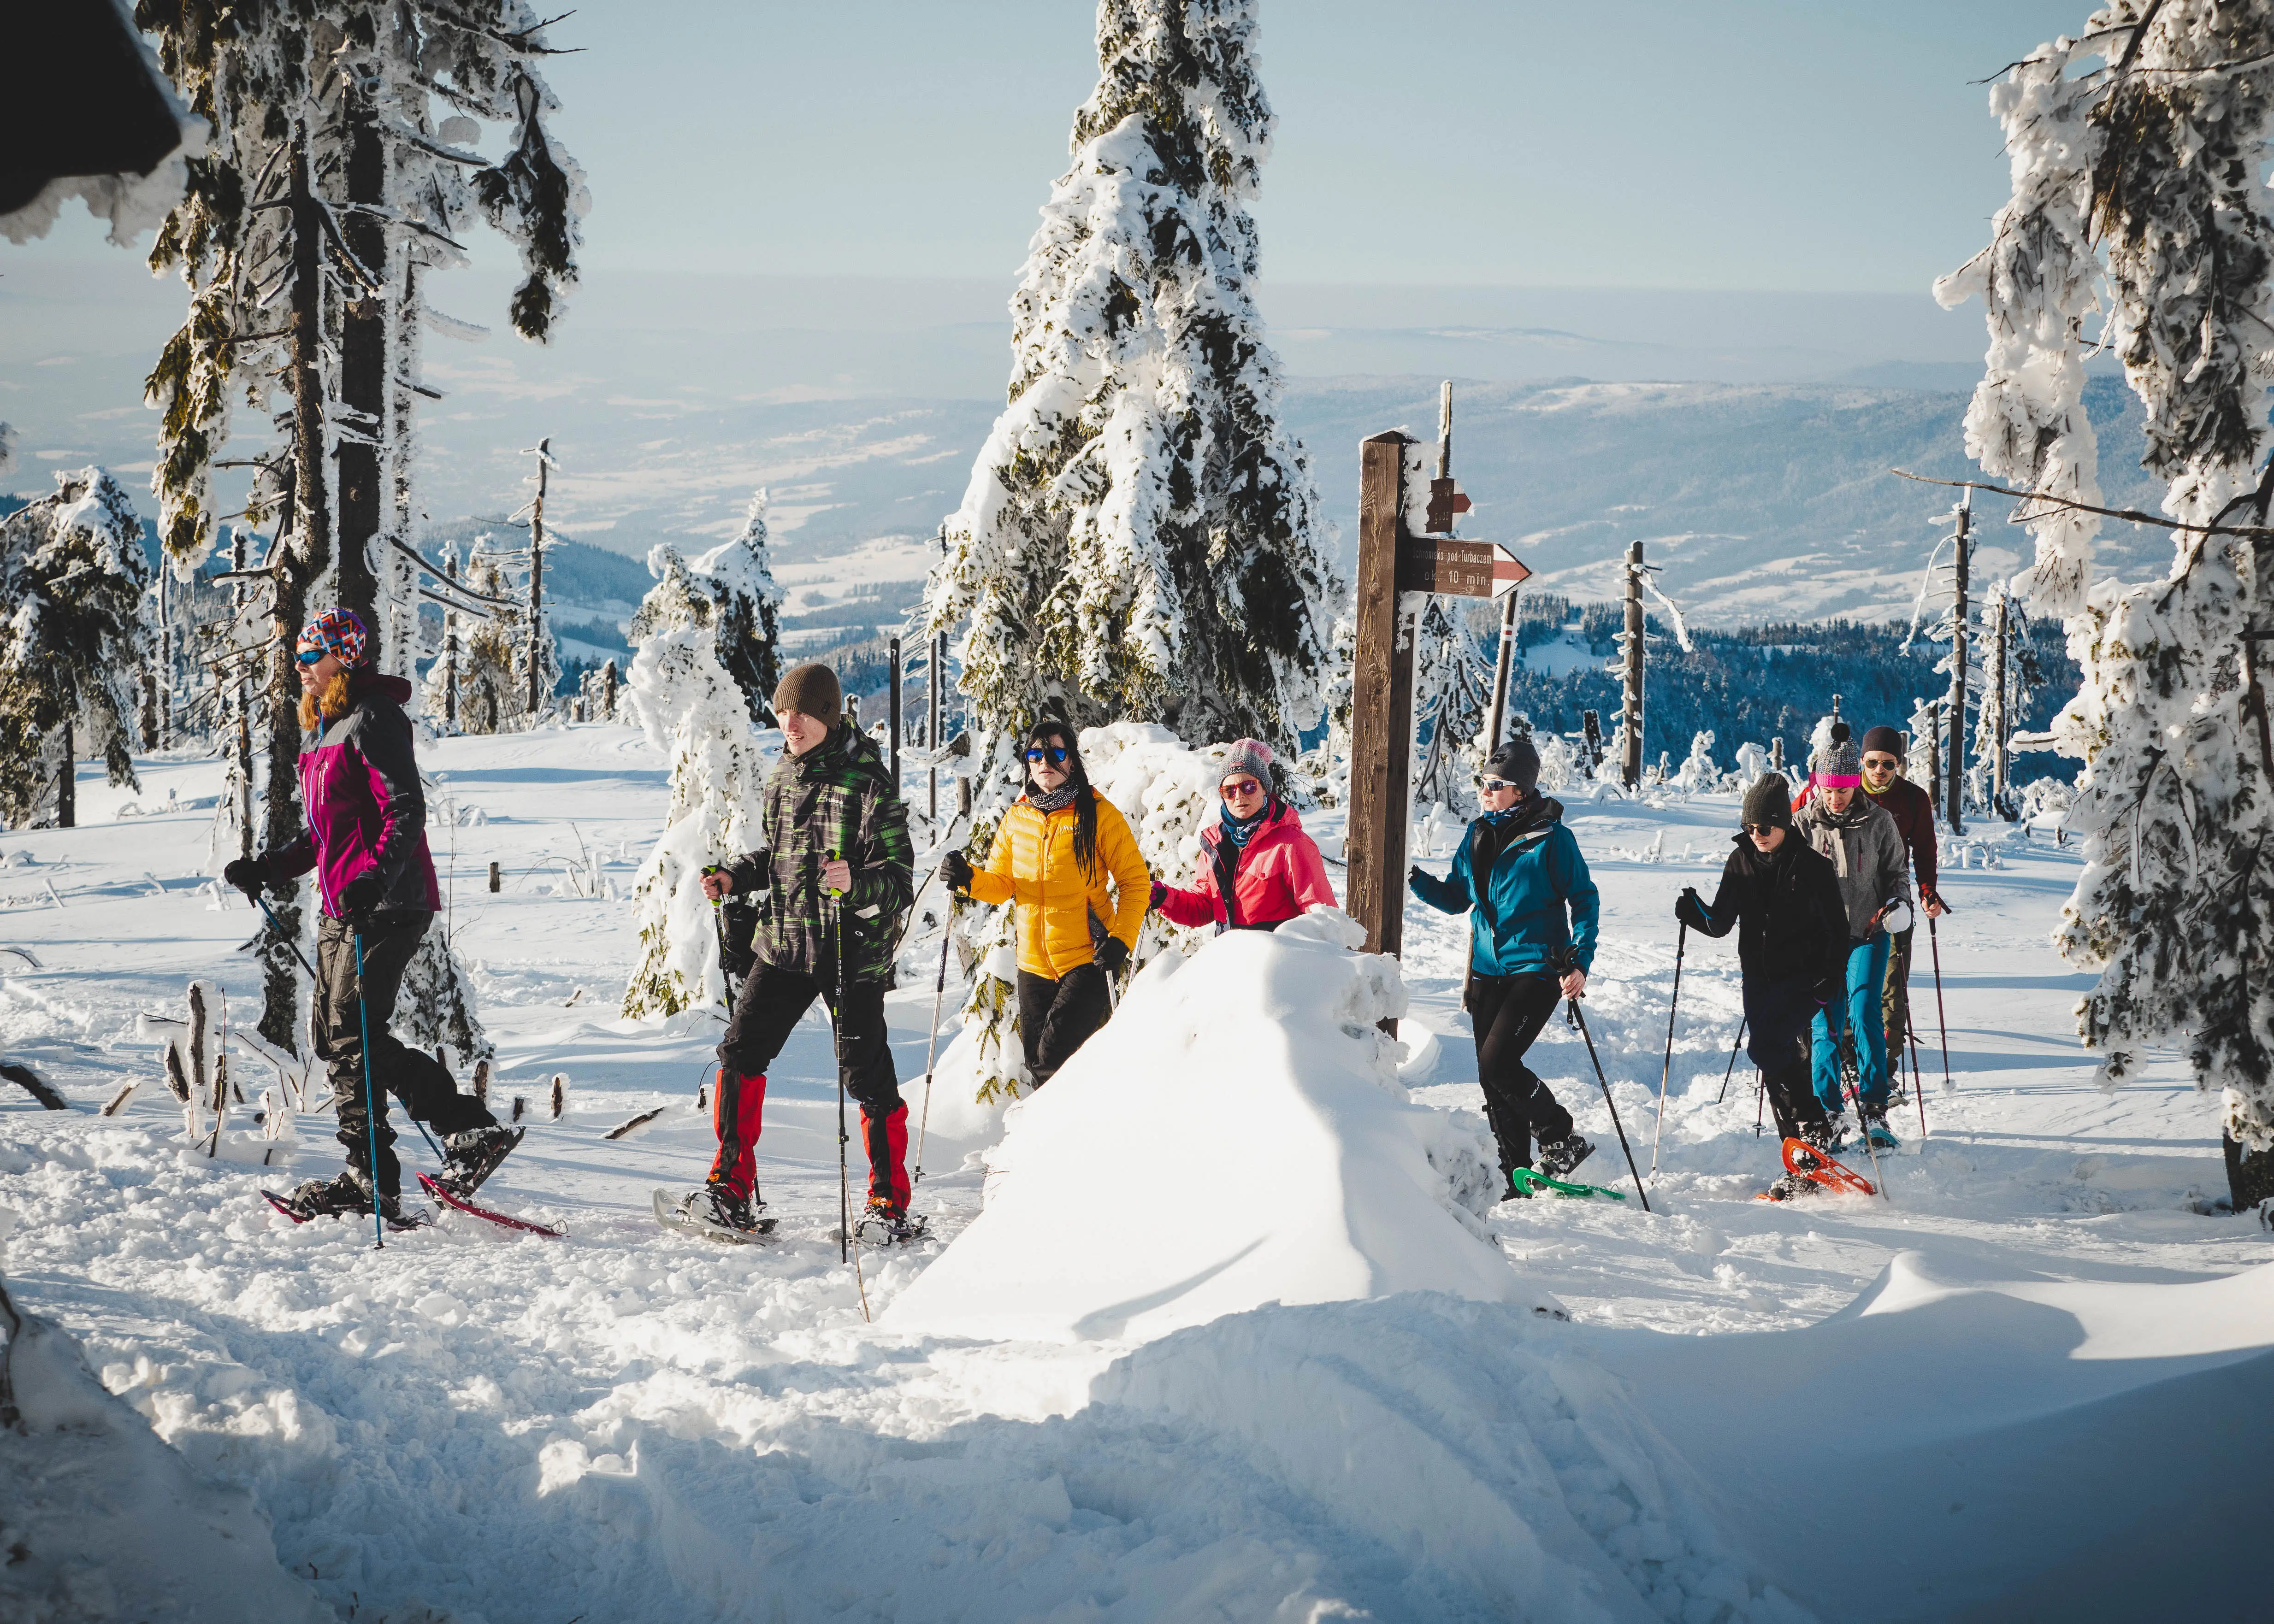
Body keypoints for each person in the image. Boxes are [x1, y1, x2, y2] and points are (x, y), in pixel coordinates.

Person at [224, 609, 519, 1221]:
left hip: (388, 903)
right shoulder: (331, 730)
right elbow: (322, 839)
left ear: (342, 658)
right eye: (299, 658)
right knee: (336, 1040)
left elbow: (406, 811)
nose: (300, 668)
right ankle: (370, 1176)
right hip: (346, 906)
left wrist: (370, 880)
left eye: (310, 657)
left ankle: (464, 1134)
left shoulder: (374, 719)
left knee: (353, 1032)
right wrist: (268, 868)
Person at [682, 662, 917, 1241]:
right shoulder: (784, 774)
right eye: (784, 712)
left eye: (803, 713)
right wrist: (737, 876)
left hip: (849, 948)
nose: (790, 723)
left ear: (829, 716)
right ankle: (731, 1186)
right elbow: (780, 855)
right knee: (740, 1052)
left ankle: (888, 1202)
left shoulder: (868, 782)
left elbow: (899, 879)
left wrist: (855, 883)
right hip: (785, 940)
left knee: (866, 1075)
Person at [1407, 737, 1600, 1196]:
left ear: (1521, 789)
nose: (1485, 791)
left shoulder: (1552, 838)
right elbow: (1458, 897)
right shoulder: (1477, 833)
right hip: (1486, 971)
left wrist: (1580, 957)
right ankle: (1515, 1170)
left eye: (1496, 784)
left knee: (1499, 1063)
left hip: (1536, 967)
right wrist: (1413, 879)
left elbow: (1584, 898)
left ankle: (1561, 1136)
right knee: (1489, 1074)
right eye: (1483, 782)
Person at [939, 719, 1149, 1090]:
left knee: (1053, 1061)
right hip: (1032, 965)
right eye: (1035, 753)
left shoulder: (1099, 815)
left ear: (1072, 761)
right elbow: (1002, 884)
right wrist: (968, 878)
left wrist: (1121, 940)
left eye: (1055, 752)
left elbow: (1135, 883)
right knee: (1039, 1066)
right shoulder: (1018, 817)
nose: (1045, 761)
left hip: (1087, 958)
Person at [1676, 775, 1852, 1199]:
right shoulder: (1739, 861)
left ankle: (1812, 1127)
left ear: (1783, 824)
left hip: (1806, 977)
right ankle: (1802, 1154)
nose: (1755, 836)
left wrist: (1830, 977)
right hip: (1756, 977)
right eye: (1749, 827)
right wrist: (1692, 910)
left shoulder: (1813, 867)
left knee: (1768, 1045)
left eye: (1764, 828)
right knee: (1772, 1057)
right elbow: (1720, 924)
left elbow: (1837, 930)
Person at [1792, 724, 1913, 1147]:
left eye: (1844, 787)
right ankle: (1827, 1111)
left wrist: (1899, 905)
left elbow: (1898, 872)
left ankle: (1875, 1108)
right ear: (1820, 785)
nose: (1837, 795)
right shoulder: (1803, 825)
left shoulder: (1879, 822)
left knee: (1863, 1015)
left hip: (1867, 932)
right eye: (1830, 787)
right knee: (1824, 1026)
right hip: (1819, 943)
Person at [1152, 739, 1336, 934]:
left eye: (1248, 787)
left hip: (1280, 960)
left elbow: (1321, 916)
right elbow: (1204, 905)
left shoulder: (1291, 844)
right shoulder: (1216, 844)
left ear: (1264, 788)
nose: (1239, 796)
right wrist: (1164, 897)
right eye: (1229, 790)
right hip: (1230, 959)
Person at [1856, 724, 1945, 1067]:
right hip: (1848, 898)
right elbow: (1803, 818)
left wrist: (1927, 892)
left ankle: (1885, 1063)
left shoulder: (1912, 798)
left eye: (1888, 764)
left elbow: (1924, 851)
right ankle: (1852, 1057)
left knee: (1893, 982)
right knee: (1851, 978)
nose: (1880, 771)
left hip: (1894, 897)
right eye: (1873, 763)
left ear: (1899, 764)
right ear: (1862, 761)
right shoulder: (1843, 792)